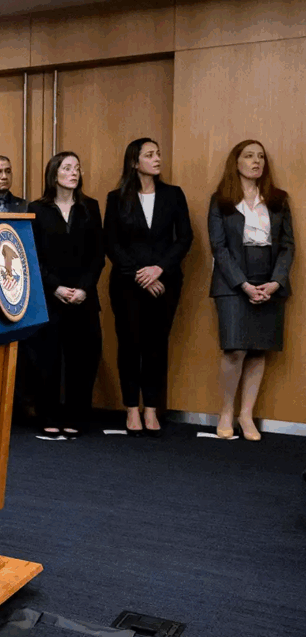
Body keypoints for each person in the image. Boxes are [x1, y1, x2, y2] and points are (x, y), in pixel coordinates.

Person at [104, 139, 193, 437]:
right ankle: (131, 408)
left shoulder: (173, 195)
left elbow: (184, 238)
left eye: (158, 154)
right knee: (129, 344)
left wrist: (158, 270)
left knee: (156, 345)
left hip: (165, 283)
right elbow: (111, 243)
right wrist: (141, 275)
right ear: (134, 162)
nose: (157, 159)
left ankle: (151, 408)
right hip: (127, 284)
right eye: (150, 155)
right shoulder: (116, 198)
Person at [208, 139, 293, 441]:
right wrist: (243, 284)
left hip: (269, 278)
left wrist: (276, 281)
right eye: (249, 156)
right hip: (233, 282)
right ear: (237, 162)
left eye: (261, 157)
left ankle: (247, 415)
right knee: (235, 349)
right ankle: (226, 412)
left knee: (258, 350)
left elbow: (287, 245)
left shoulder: (279, 199)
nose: (256, 161)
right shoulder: (221, 200)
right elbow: (219, 248)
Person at [26, 152, 104, 439]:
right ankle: (47, 415)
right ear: (54, 174)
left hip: (84, 296)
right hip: (49, 296)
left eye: (77, 168)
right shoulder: (36, 208)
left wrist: (83, 288)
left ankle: (75, 416)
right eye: (67, 168)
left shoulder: (90, 207)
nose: (74, 172)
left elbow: (98, 255)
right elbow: (31, 256)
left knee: (82, 360)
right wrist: (55, 287)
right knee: (46, 360)